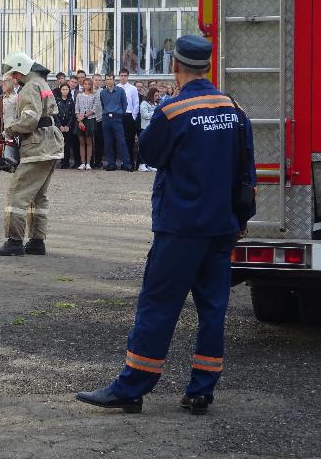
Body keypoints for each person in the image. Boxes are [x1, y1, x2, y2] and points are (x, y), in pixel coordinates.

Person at [77, 35, 255, 416]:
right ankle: (201, 390)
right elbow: (247, 172)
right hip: (221, 228)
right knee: (212, 311)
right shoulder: (234, 108)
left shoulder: (174, 110)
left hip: (180, 227)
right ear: (207, 65)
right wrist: (240, 220)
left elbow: (153, 154)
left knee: (158, 306)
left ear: (175, 66)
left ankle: (133, 386)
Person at [0, 52, 64, 257]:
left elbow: (30, 121)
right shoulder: (40, 82)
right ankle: (37, 241)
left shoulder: (30, 87)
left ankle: (14, 241)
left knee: (18, 193)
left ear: (21, 69)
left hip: (37, 147)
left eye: (14, 74)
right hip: (51, 145)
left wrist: (9, 130)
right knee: (38, 197)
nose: (13, 78)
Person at [99, 74, 130, 171]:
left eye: (110, 79)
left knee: (121, 141)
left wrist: (120, 114)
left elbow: (124, 104)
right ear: (105, 80)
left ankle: (126, 163)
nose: (109, 81)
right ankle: (111, 163)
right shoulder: (103, 92)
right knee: (108, 142)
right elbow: (102, 105)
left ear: (114, 80)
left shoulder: (120, 91)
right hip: (106, 118)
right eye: (107, 79)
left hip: (117, 117)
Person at [118, 67, 141, 171]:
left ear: (128, 77)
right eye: (121, 76)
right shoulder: (116, 87)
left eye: (125, 76)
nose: (123, 78)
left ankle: (131, 162)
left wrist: (133, 117)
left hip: (129, 116)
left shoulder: (132, 88)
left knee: (130, 140)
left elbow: (136, 103)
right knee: (121, 140)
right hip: (118, 116)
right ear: (119, 77)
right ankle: (123, 162)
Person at [75, 78, 96, 170]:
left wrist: (85, 116)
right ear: (83, 85)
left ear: (91, 85)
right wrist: (79, 120)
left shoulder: (94, 95)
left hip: (90, 120)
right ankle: (82, 163)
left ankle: (88, 163)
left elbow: (94, 109)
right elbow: (76, 109)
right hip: (80, 121)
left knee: (89, 142)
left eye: (88, 84)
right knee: (82, 142)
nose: (87, 85)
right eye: (85, 84)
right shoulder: (79, 95)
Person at [138, 86, 159, 172]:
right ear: (151, 95)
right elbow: (145, 115)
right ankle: (142, 164)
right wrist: (156, 112)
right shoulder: (144, 103)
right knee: (144, 147)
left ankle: (150, 164)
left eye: (158, 95)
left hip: (154, 128)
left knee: (152, 147)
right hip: (145, 128)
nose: (157, 97)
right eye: (156, 95)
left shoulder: (156, 104)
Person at [54, 83, 75, 169]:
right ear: (60, 90)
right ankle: (61, 161)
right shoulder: (57, 100)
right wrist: (60, 126)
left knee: (67, 144)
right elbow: (55, 114)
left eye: (66, 89)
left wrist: (68, 126)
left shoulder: (71, 100)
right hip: (60, 125)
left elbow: (72, 114)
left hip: (68, 126)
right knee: (60, 144)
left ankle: (66, 161)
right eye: (63, 89)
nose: (65, 91)